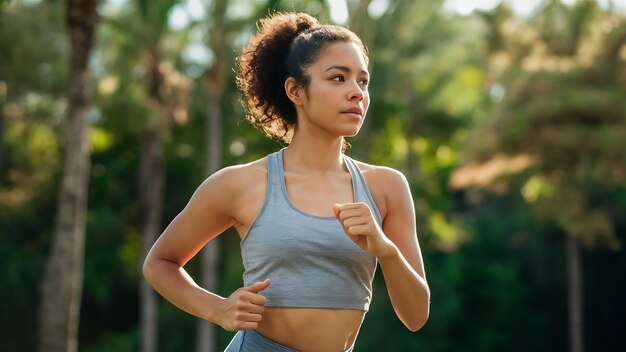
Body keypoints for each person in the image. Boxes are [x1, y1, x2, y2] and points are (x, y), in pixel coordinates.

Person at [143, 11, 430, 352]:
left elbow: (416, 316)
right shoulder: (240, 184)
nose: (356, 93)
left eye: (363, 81)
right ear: (296, 90)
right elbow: (159, 264)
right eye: (338, 78)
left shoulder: (387, 187)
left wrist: (385, 249)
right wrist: (217, 308)